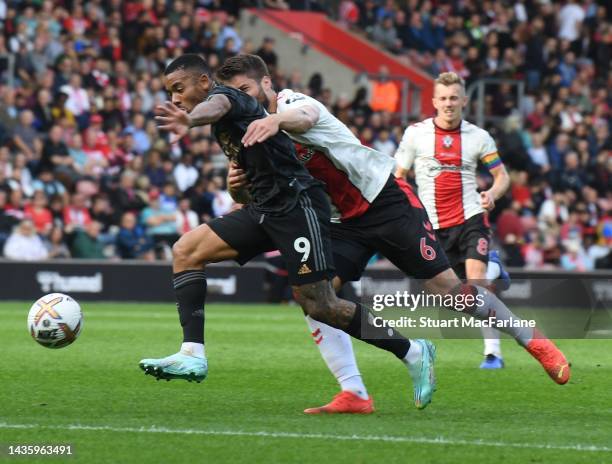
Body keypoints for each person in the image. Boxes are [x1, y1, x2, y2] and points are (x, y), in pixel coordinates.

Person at [214, 54, 570, 413]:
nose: (242, 99)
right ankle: (354, 392)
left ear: (266, 84)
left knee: (450, 292)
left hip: (384, 202)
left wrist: (275, 121)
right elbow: (249, 194)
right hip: (341, 223)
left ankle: (534, 340)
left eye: (245, 89)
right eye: (234, 94)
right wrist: (237, 187)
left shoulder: (291, 104)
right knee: (314, 297)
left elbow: (304, 119)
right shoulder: (247, 134)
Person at [140, 54, 438, 411]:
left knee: (321, 305)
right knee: (187, 250)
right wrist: (236, 186)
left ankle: (412, 351)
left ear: (203, 83)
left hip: (298, 206)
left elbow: (218, 105)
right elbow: (243, 188)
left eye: (179, 89)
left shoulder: (227, 99)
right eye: (169, 92)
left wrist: (189, 119)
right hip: (264, 208)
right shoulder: (228, 123)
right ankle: (192, 354)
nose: (174, 98)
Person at [395, 72, 512, 369]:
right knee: (454, 299)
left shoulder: (479, 137)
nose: (448, 104)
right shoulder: (415, 134)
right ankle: (495, 267)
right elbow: (398, 178)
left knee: (477, 285)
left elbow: (502, 176)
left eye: (454, 98)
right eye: (443, 98)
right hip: (432, 226)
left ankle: (493, 354)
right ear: (434, 101)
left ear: (464, 100)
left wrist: (493, 194)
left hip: (471, 218)